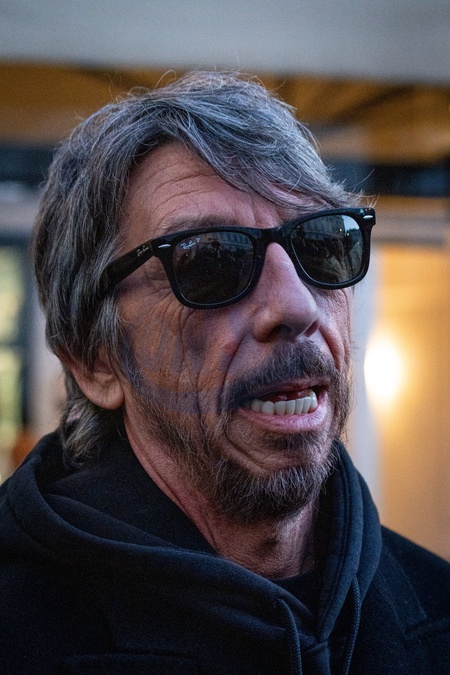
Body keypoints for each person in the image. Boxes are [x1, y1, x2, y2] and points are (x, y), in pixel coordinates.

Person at [1, 71, 449, 674]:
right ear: (93, 360)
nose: (296, 305)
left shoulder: (436, 614)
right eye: (210, 259)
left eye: (321, 244)